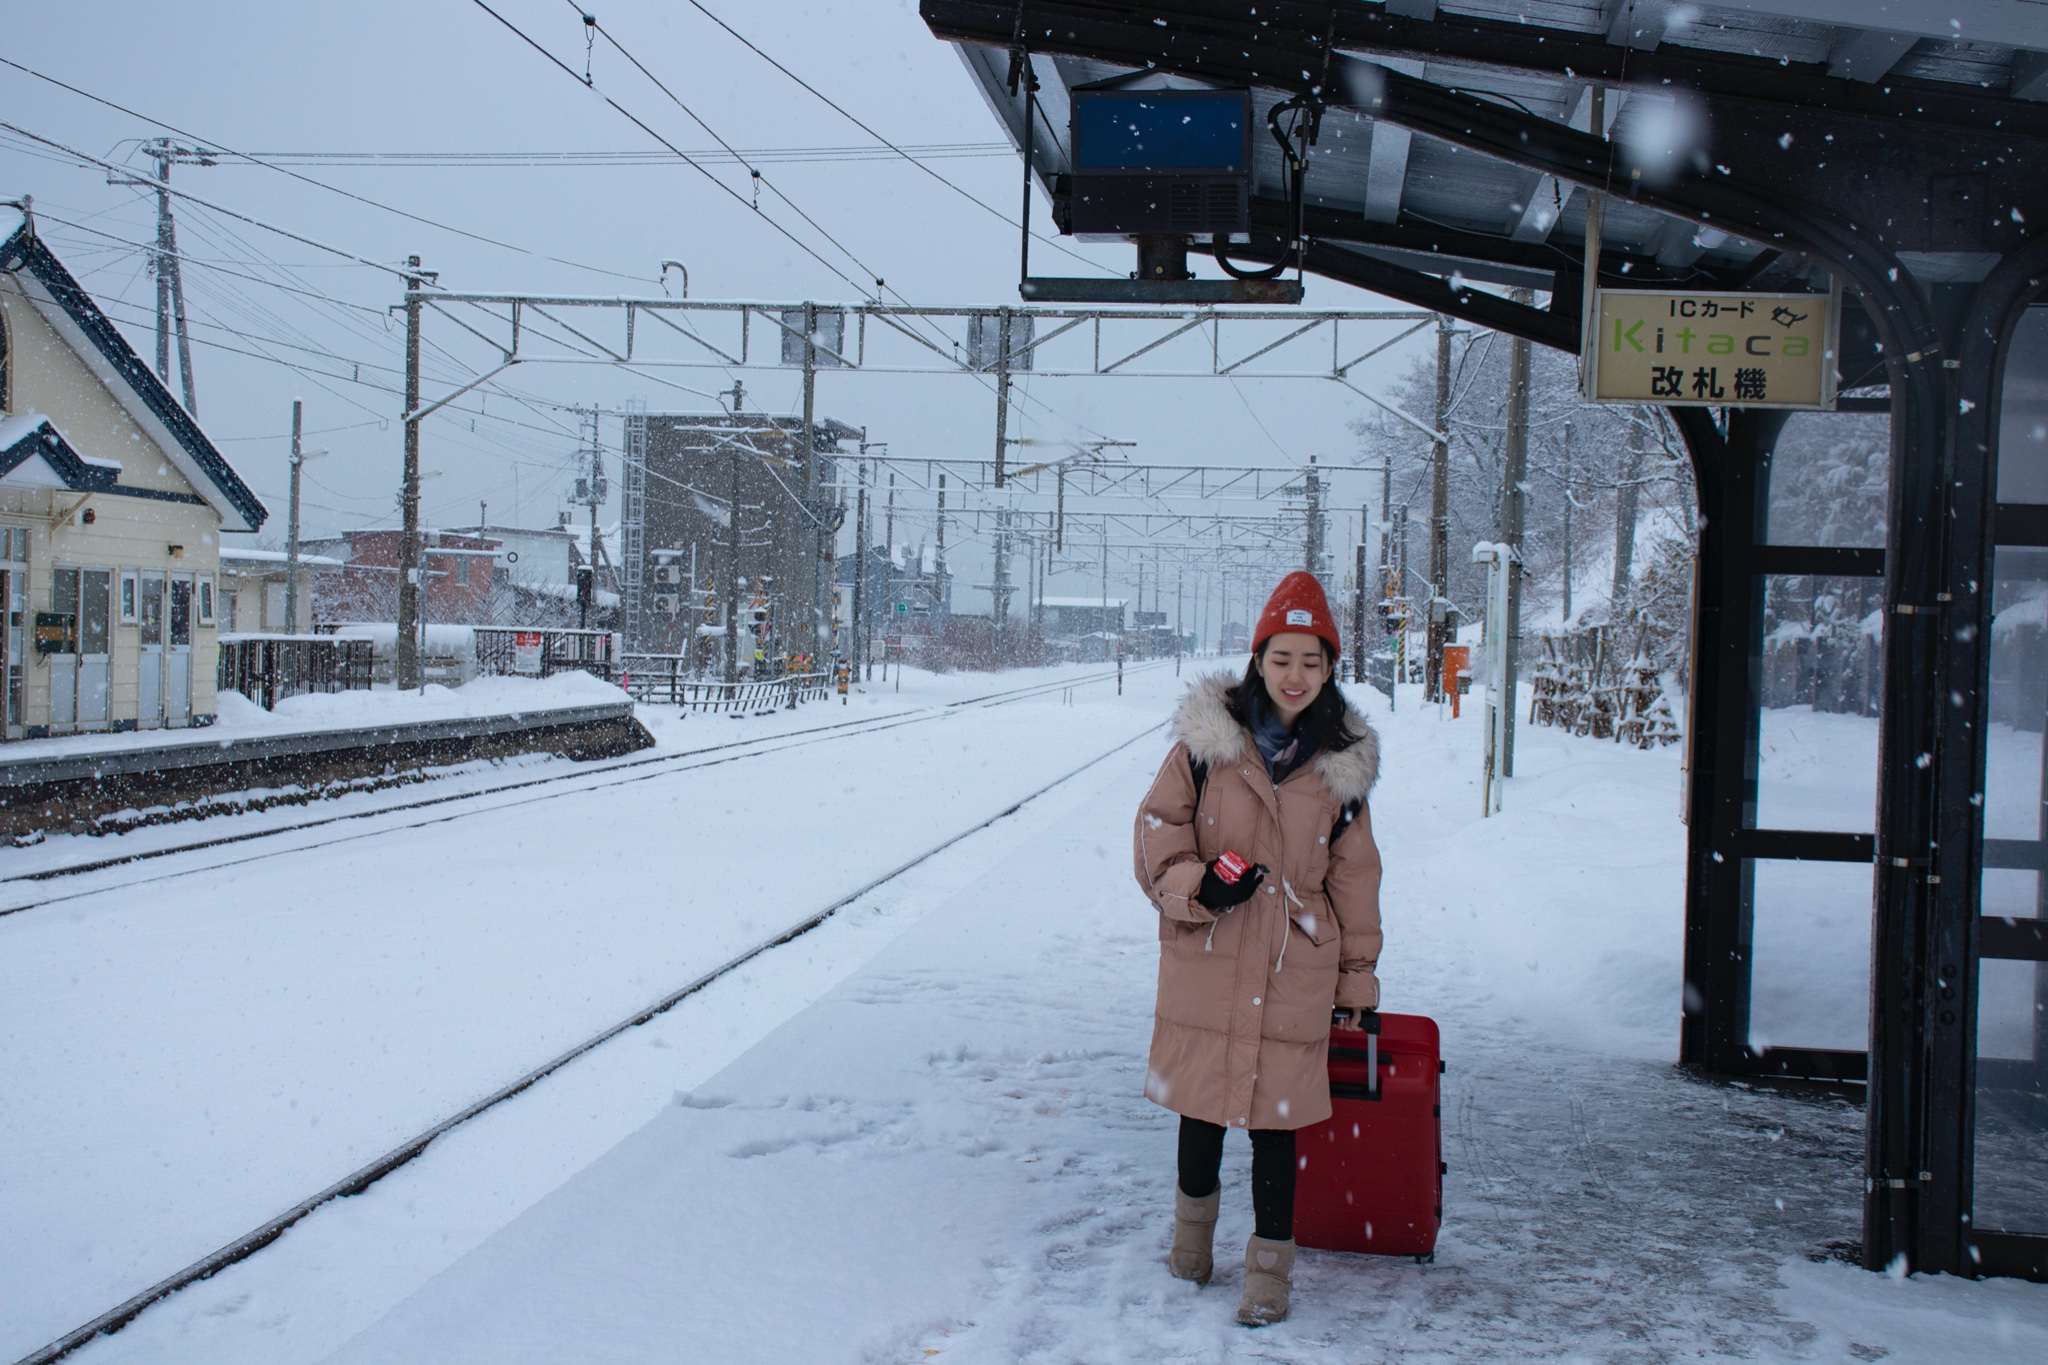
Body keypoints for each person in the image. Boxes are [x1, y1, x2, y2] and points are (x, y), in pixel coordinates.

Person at [1131, 570, 1383, 1327]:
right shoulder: (1206, 748)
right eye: (1282, 659)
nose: (1295, 676)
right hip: (1208, 953)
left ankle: (1268, 1277)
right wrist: (1199, 885)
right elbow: (1157, 832)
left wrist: (1357, 986)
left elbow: (1356, 879)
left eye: (1312, 660)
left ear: (1331, 666)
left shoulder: (1341, 767)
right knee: (1200, 1111)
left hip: (1293, 965)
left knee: (1278, 1129)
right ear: (1258, 660)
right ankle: (1191, 1248)